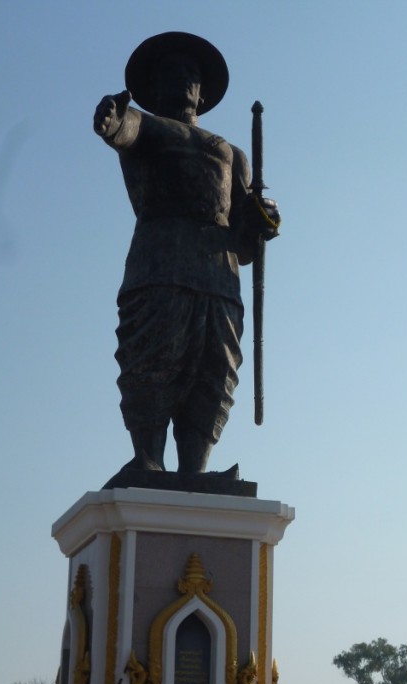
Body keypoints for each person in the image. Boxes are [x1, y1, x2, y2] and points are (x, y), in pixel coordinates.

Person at [93, 32, 279, 474]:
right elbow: (124, 130)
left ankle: (195, 468)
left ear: (203, 90)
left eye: (192, 74)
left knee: (214, 369)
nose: (184, 79)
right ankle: (148, 458)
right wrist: (112, 120)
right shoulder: (148, 126)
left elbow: (244, 242)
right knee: (152, 359)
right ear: (154, 87)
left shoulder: (231, 153)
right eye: (172, 72)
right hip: (161, 261)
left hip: (219, 274)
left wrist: (261, 222)